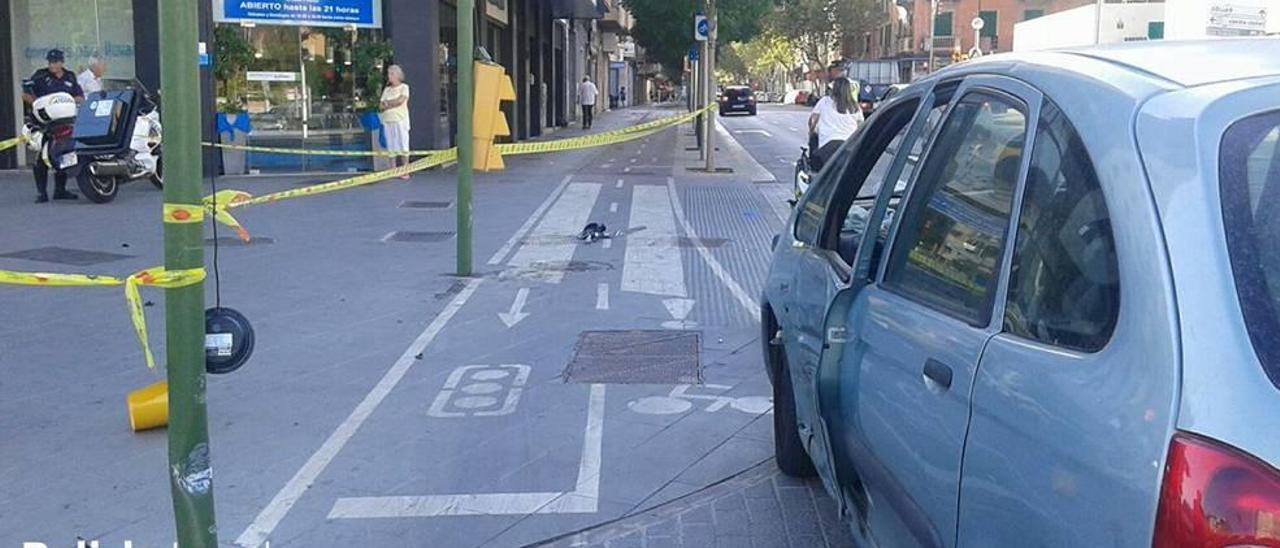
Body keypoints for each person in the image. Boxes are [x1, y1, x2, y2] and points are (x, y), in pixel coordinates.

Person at [22, 49, 84, 202]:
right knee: (41, 157)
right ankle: (41, 193)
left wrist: (71, 101)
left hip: (65, 122)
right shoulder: (40, 75)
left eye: (55, 62)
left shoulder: (70, 76)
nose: (52, 65)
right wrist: (37, 104)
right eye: (50, 62)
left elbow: (80, 96)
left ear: (62, 62)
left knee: (64, 154)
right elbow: (26, 94)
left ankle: (60, 190)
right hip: (44, 122)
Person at [808, 77, 863, 173]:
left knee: (823, 169)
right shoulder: (854, 106)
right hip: (849, 145)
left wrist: (811, 131)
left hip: (828, 145)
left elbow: (813, 120)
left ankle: (815, 172)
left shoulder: (825, 101)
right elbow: (861, 126)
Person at [379, 64, 411, 180]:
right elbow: (381, 105)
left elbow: (400, 101)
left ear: (397, 75)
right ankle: (392, 169)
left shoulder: (404, 87)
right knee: (391, 144)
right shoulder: (386, 89)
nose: (389, 76)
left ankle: (405, 169)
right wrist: (388, 104)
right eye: (389, 74)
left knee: (403, 143)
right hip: (388, 120)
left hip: (400, 119)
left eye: (391, 74)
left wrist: (388, 103)